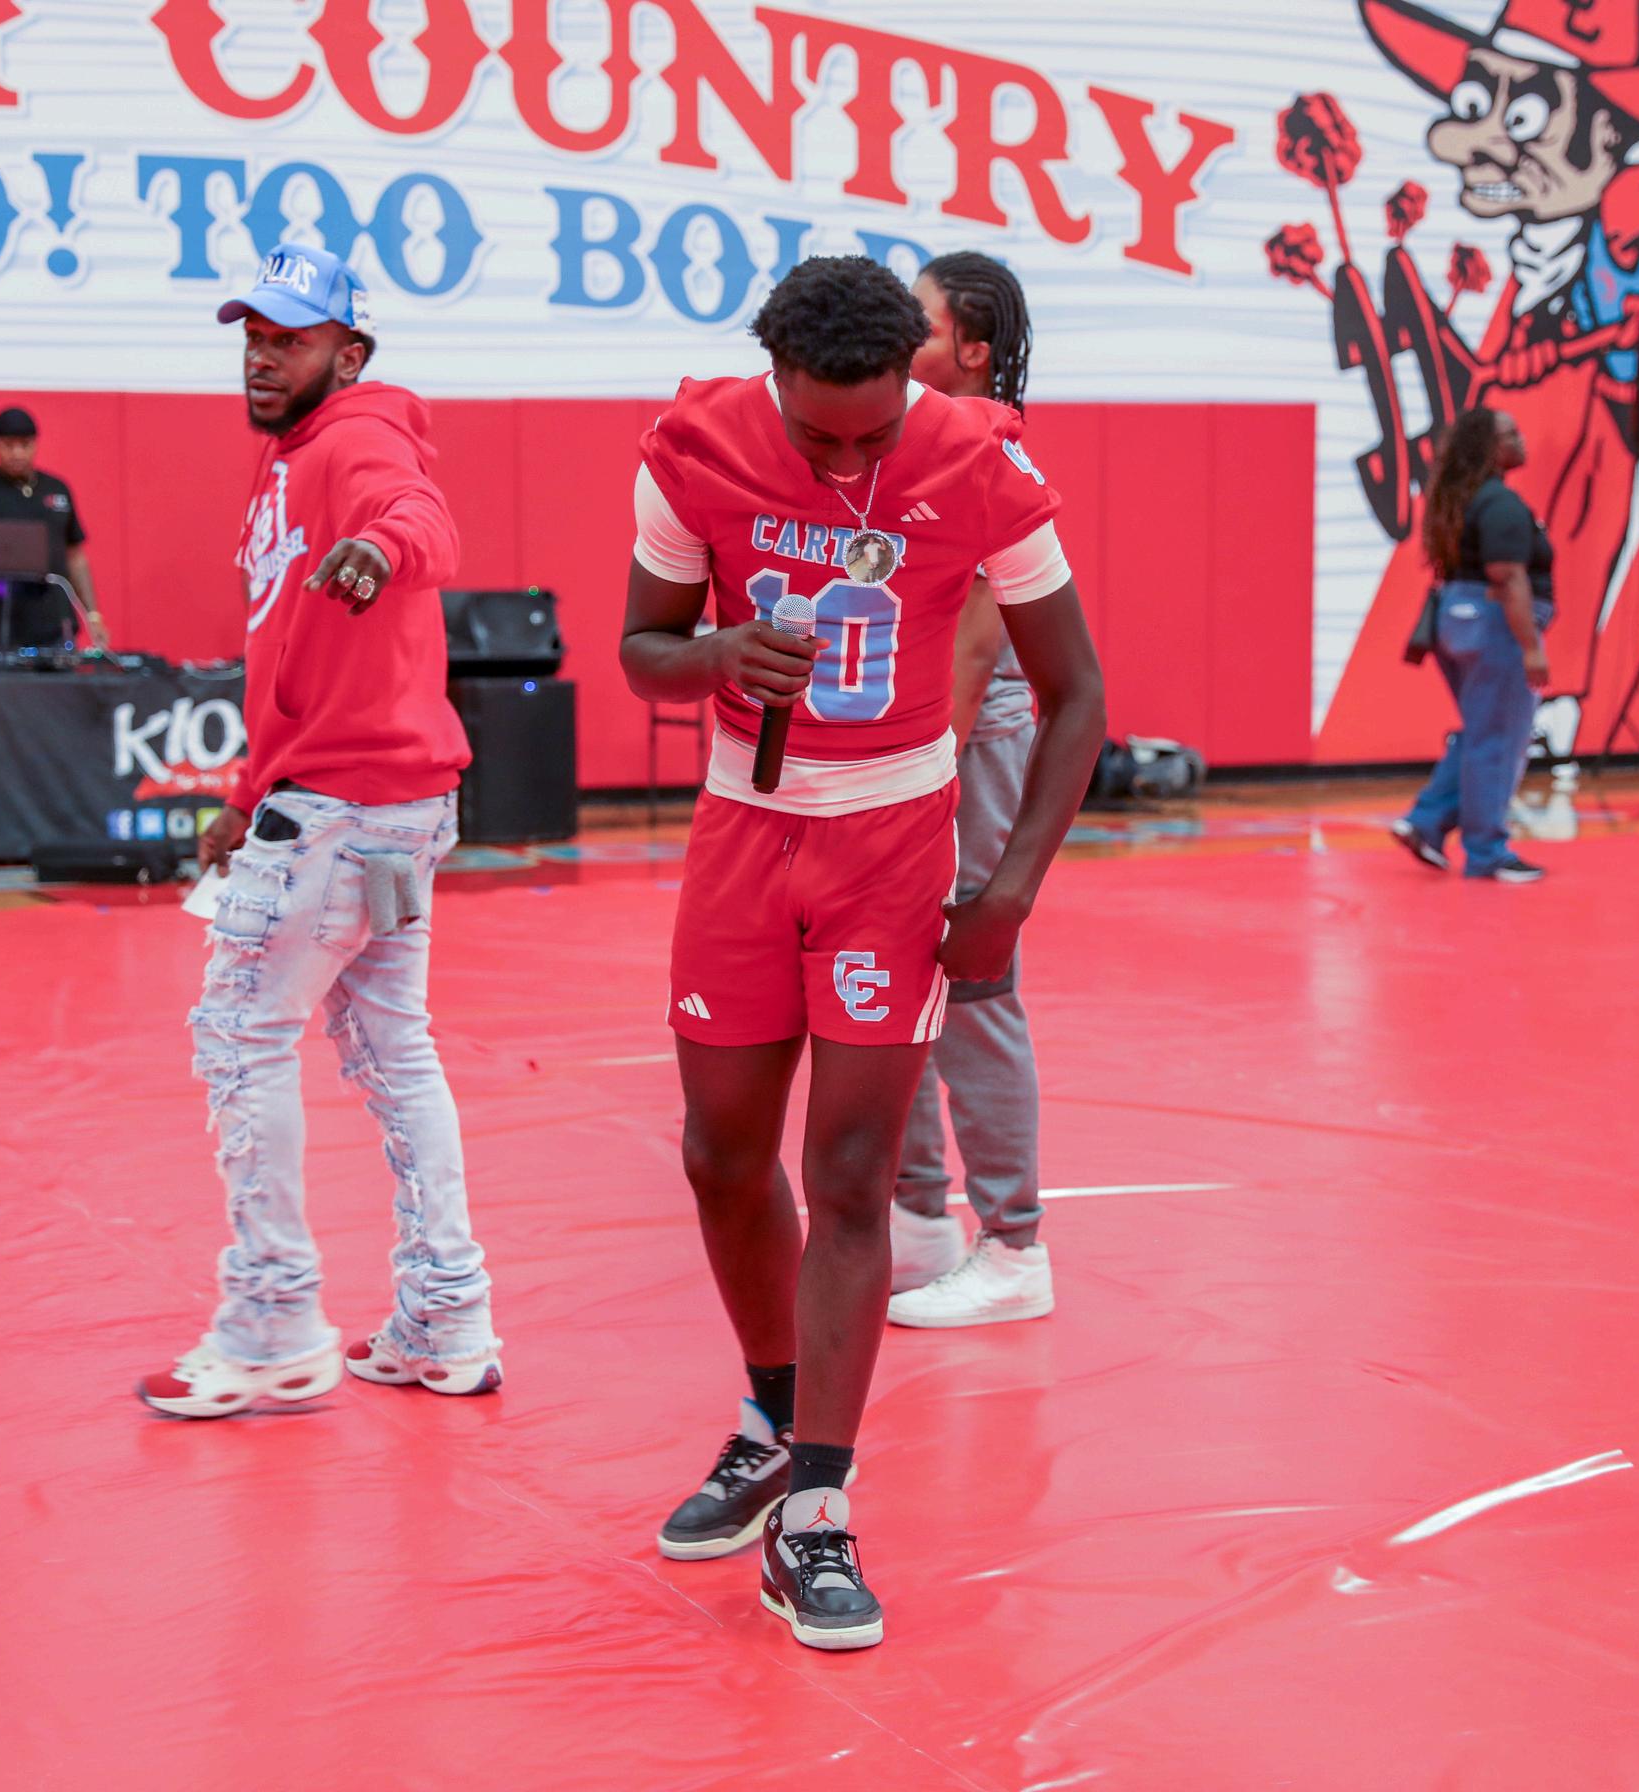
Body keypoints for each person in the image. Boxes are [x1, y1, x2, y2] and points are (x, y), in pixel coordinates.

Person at [622, 256, 1107, 1650]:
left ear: (915, 384)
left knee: (848, 1173)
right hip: (743, 827)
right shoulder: (694, 444)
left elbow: (1078, 694)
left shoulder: (980, 462)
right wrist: (717, 656)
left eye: (873, 434)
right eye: (817, 436)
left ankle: (818, 1511)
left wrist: (1010, 889)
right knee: (720, 1155)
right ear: (772, 378)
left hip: (892, 843)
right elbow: (642, 648)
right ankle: (775, 1420)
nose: (846, 463)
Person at [136, 245, 500, 1418]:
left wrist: (382, 547)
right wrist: (247, 796)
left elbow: (421, 519)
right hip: (383, 807)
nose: (260, 356)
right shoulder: (289, 457)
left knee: (240, 1034)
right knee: (394, 1046)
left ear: (348, 354)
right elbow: (290, 656)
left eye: (287, 340)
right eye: (251, 336)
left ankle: (274, 1321)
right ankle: (447, 1318)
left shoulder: (357, 440)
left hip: (343, 811)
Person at [885, 251, 1055, 1328]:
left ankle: (1014, 1246)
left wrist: (929, 763)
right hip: (910, 733)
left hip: (964, 737)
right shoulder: (912, 440)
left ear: (974, 350)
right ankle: (915, 1214)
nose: (902, 337)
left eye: (923, 323)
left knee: (972, 975)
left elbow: (982, 638)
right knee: (887, 971)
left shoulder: (987, 453)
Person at [1390, 406, 1554, 883]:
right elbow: (1508, 577)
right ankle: (1487, 852)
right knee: (1498, 739)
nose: (1521, 440)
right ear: (1488, 448)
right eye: (1510, 434)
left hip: (1456, 621)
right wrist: (1531, 647)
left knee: (1482, 731)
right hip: (1493, 625)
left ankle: (1425, 821)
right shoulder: (1500, 503)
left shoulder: (1461, 500)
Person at [0, 407, 101, 648]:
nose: (17, 453)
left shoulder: (57, 489)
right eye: (8, 445)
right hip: (3, 627)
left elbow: (76, 558)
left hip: (57, 627)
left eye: (24, 445)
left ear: (35, 444)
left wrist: (92, 615)